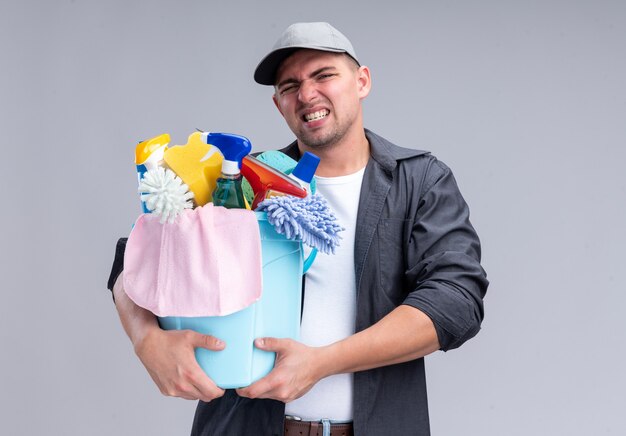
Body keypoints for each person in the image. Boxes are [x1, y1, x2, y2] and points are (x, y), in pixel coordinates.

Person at [108, 22, 488, 436]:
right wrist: (147, 340)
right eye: (290, 86)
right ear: (278, 104)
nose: (307, 95)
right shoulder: (241, 182)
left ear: (362, 81)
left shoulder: (420, 182)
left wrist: (321, 362)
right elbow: (134, 259)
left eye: (324, 75)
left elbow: (456, 301)